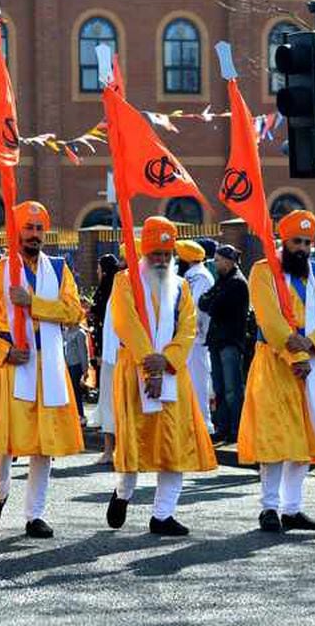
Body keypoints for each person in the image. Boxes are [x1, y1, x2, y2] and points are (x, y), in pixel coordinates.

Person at [0, 201, 84, 539]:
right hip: (12, 365)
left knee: (43, 444)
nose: (35, 235)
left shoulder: (60, 268)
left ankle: (35, 514)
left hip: (48, 363)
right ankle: (0, 492)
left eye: (39, 229)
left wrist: (31, 304)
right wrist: (3, 352)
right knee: (6, 442)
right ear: (16, 231)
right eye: (29, 228)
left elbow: (74, 312)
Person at [239, 210, 315, 533]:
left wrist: (310, 347)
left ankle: (292, 508)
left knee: (306, 436)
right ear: (283, 241)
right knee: (277, 438)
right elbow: (269, 319)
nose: (302, 248)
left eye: (307, 242)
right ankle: (269, 507)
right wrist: (296, 355)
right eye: (296, 241)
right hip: (275, 365)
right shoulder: (264, 272)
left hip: (312, 368)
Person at [104, 217, 218, 536]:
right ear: (144, 252)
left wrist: (165, 362)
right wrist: (148, 365)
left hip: (172, 373)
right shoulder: (125, 281)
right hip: (134, 371)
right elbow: (126, 323)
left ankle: (163, 515)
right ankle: (123, 493)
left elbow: (188, 328)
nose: (162, 260)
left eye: (167, 254)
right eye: (156, 254)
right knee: (134, 443)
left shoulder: (181, 286)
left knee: (174, 445)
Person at [200, 244, 249, 444]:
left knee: (232, 389)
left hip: (230, 341)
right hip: (217, 341)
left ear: (229, 261)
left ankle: (236, 429)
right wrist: (212, 302)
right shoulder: (222, 281)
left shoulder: (237, 283)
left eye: (218, 259)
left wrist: (212, 302)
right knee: (219, 388)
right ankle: (222, 427)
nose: (215, 263)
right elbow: (204, 302)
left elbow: (214, 307)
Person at [178, 240, 215, 434]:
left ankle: (202, 423)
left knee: (198, 382)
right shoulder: (191, 275)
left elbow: (197, 308)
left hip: (197, 339)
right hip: (188, 339)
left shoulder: (200, 277)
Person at [90, 253, 120, 463]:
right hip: (111, 353)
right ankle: (110, 449)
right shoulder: (116, 289)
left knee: (110, 401)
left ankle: (111, 450)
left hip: (115, 355)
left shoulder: (118, 290)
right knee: (109, 401)